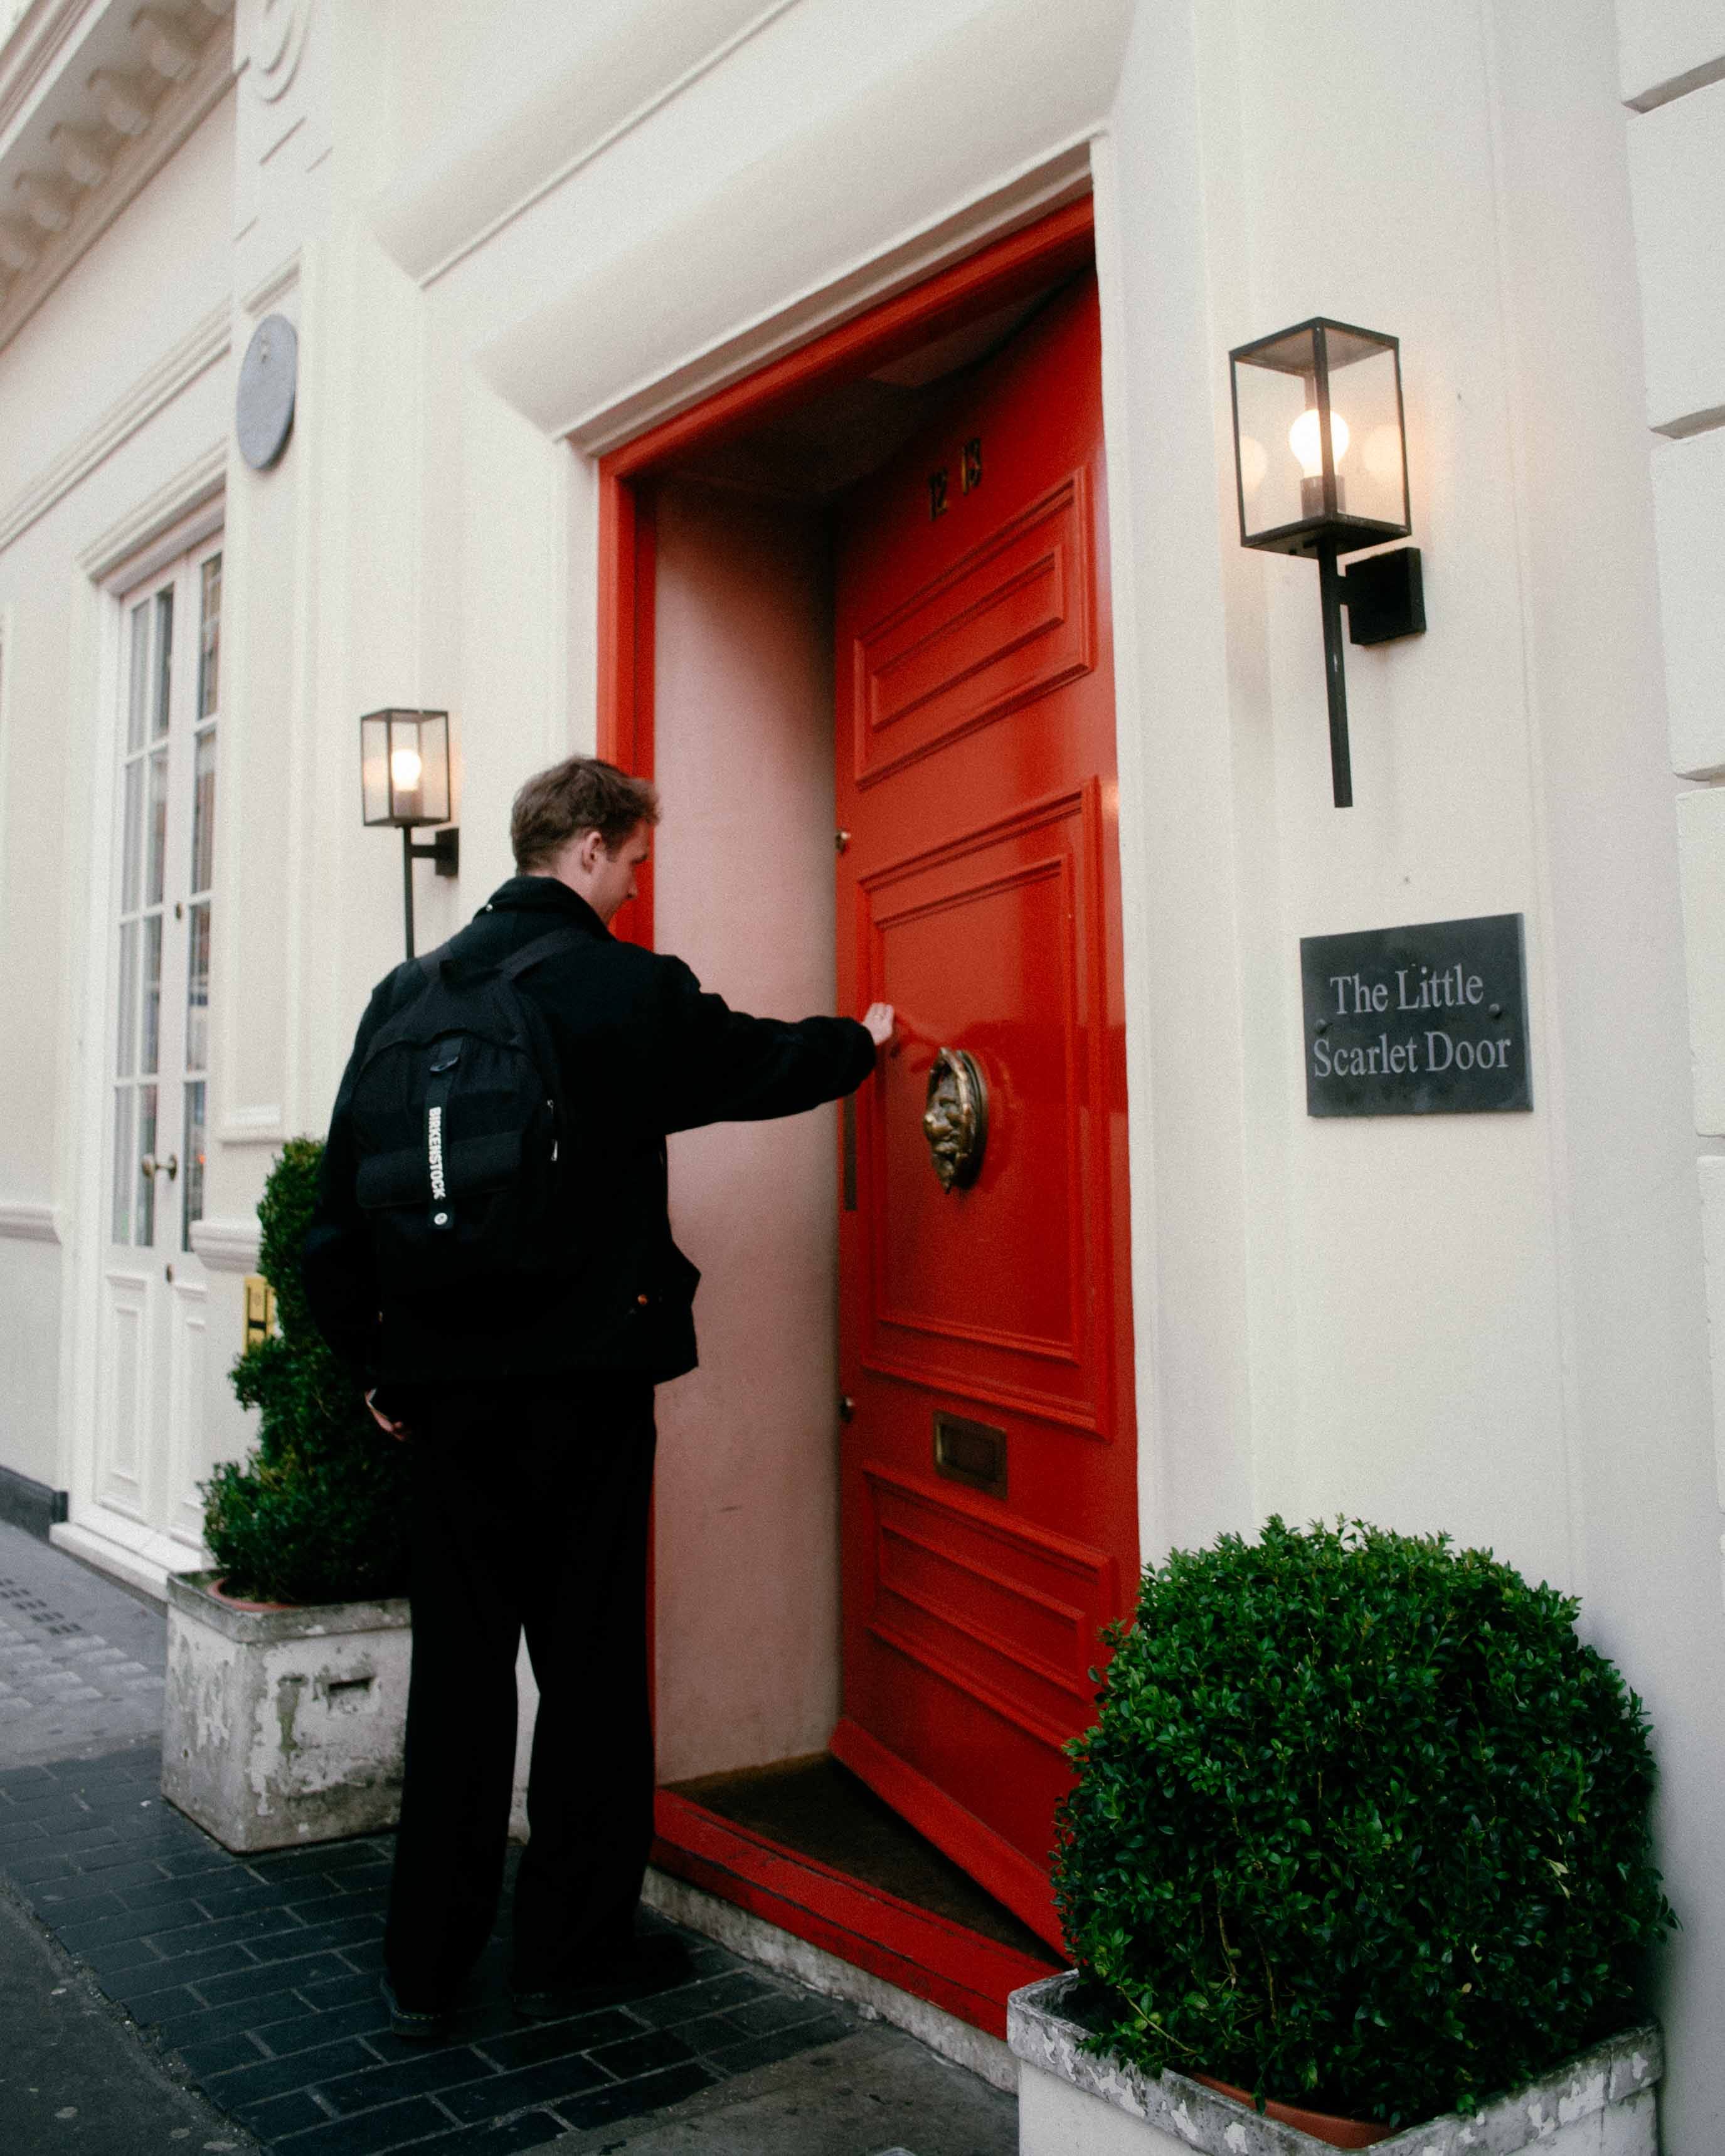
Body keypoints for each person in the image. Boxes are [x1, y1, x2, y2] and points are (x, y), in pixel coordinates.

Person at [301, 754, 891, 2039]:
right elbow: (748, 1064)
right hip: (581, 1389)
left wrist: (376, 1366)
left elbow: (336, 1210)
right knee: (588, 1667)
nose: (635, 882)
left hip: (442, 1393)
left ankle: (427, 1960)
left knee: (457, 1680)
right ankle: (573, 1942)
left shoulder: (405, 996)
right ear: (587, 848)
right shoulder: (617, 987)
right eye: (632, 859)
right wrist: (865, 1043)